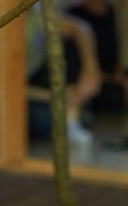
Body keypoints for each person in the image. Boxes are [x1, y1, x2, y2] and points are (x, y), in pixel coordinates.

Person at [28, 16, 101, 144]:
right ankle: (72, 115)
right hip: (24, 97)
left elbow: (81, 28)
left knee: (69, 44)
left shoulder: (31, 18)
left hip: (39, 84)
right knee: (47, 118)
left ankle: (74, 110)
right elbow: (7, 89)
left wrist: (90, 70)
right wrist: (56, 95)